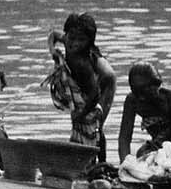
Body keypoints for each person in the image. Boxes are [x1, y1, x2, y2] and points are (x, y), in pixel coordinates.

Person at [43, 13, 116, 160]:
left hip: (105, 84)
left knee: (95, 125)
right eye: (71, 38)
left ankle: (101, 162)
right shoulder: (68, 39)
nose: (74, 43)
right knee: (81, 123)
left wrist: (81, 114)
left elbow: (95, 94)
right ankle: (82, 156)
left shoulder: (84, 63)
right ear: (67, 34)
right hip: (86, 84)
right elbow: (53, 35)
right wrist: (52, 52)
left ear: (89, 42)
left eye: (81, 40)